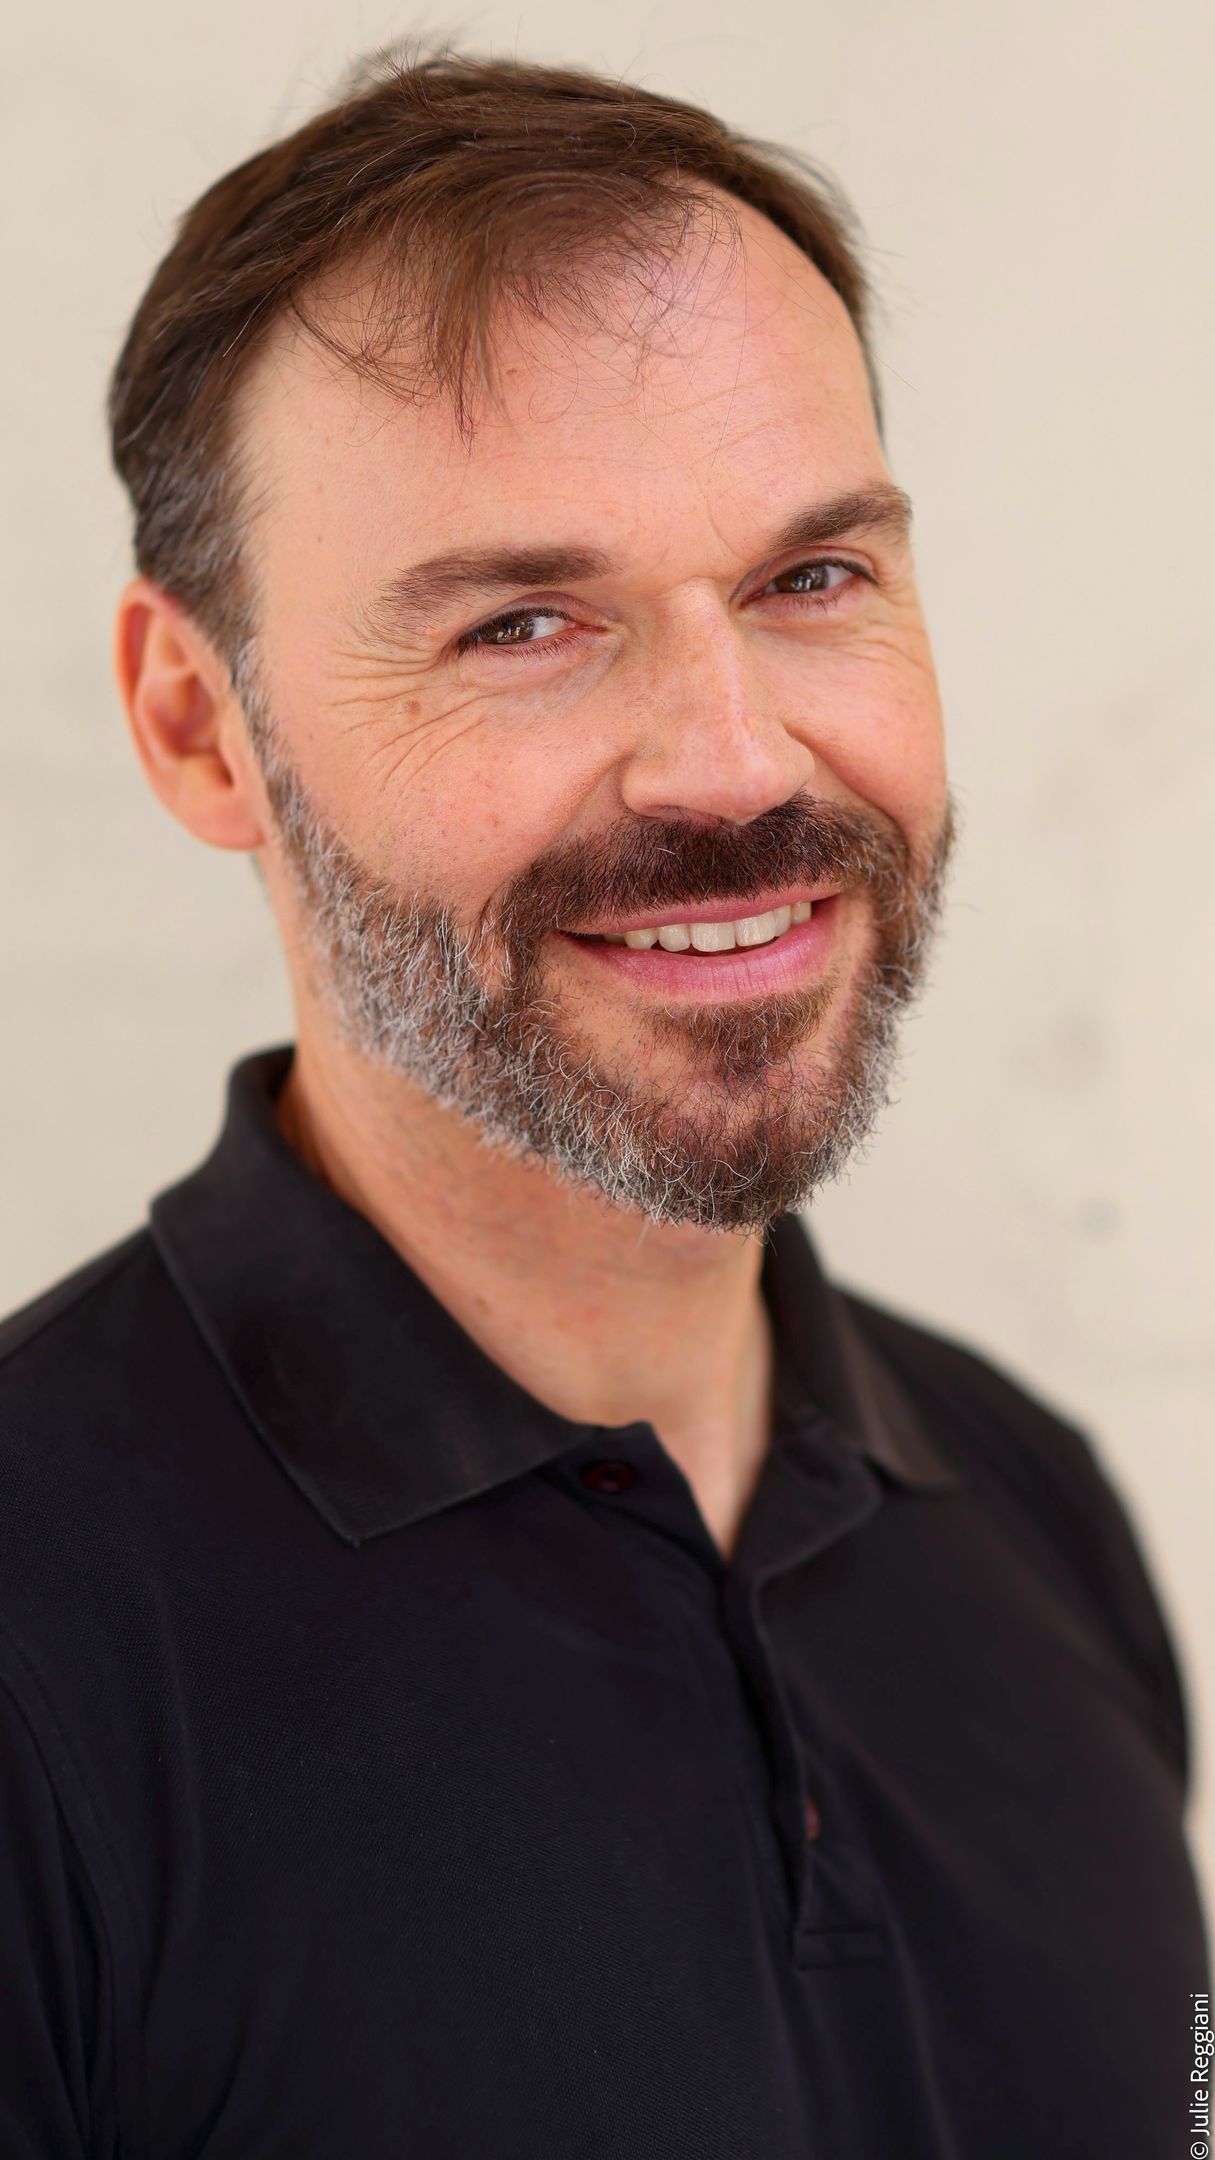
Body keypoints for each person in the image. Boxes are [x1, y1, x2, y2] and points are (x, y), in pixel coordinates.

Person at [0, 46, 1205, 2160]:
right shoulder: (35, 1642)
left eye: (811, 580)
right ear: (200, 727)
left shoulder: (1035, 1514)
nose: (733, 761)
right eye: (525, 622)